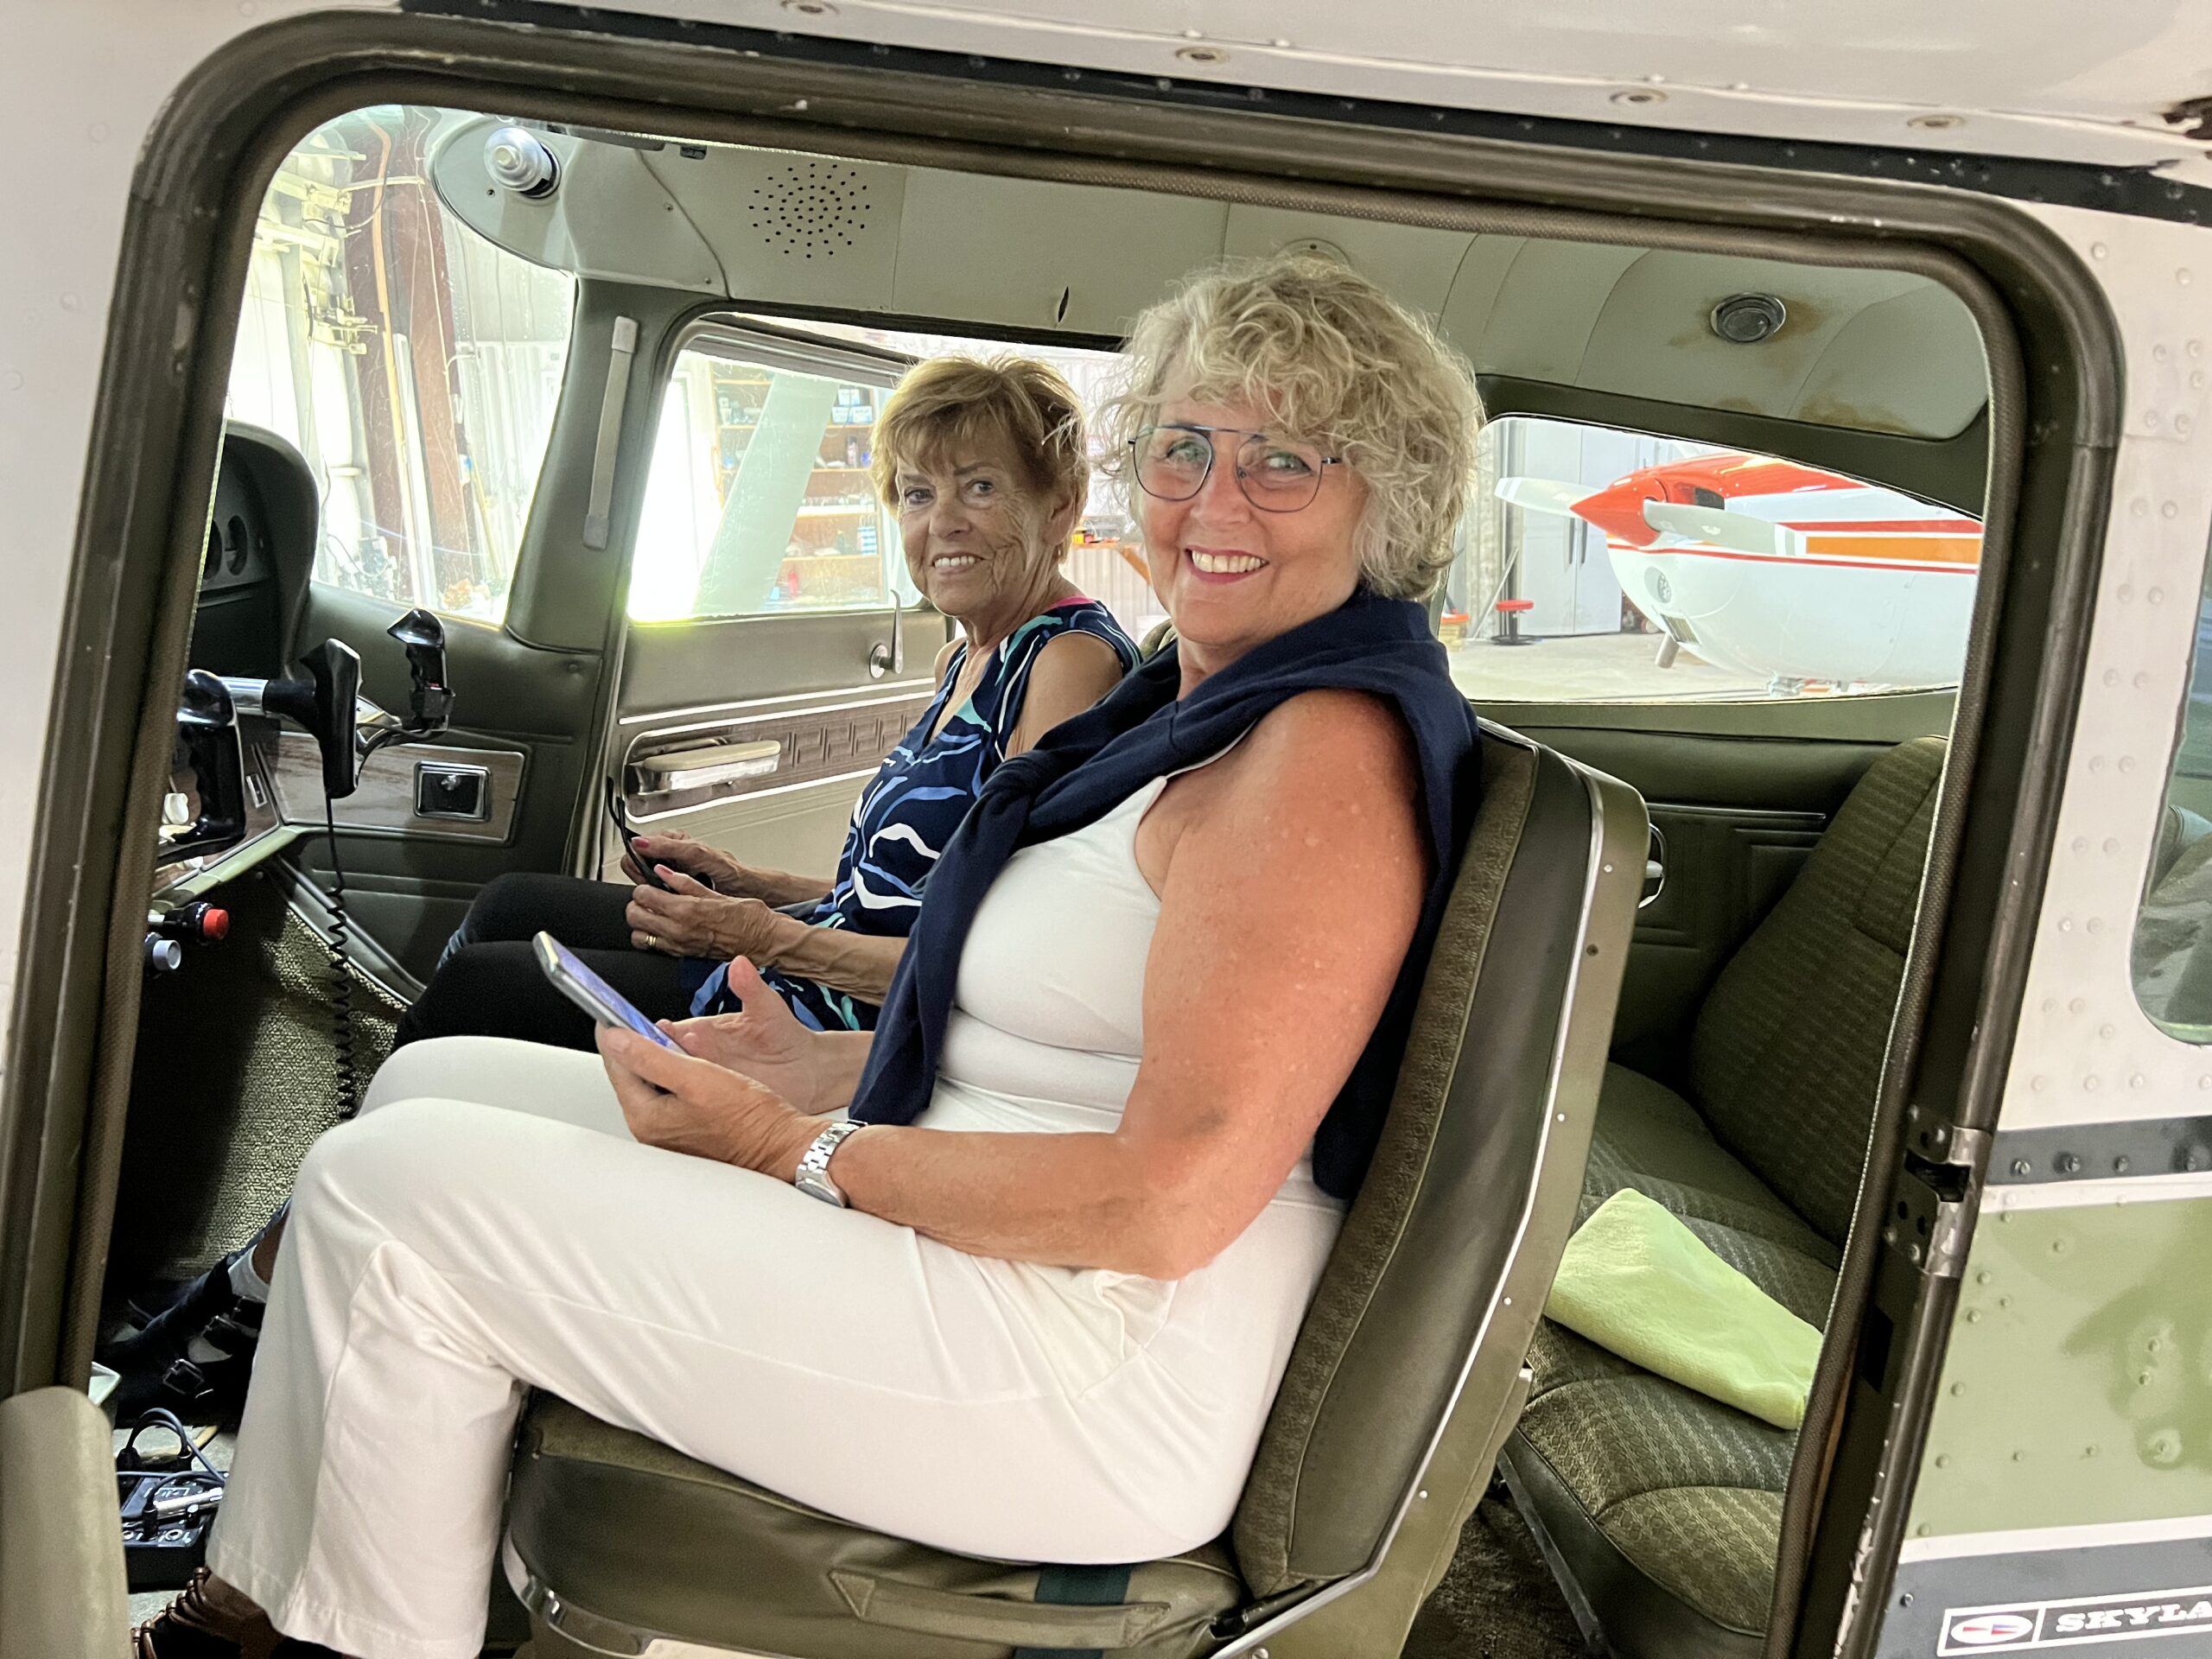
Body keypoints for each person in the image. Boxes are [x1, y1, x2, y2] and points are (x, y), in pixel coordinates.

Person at [135, 252, 1486, 1659]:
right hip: (1001, 1235)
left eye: (1283, 462)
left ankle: (298, 1636)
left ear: (1386, 498)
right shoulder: (1193, 712)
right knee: (434, 1087)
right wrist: (822, 1068)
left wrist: (795, 1147)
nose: (1211, 500)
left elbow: (1168, 1198)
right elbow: (1064, 1048)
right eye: (1183, 447)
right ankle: (283, 1600)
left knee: (392, 1195)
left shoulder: (1318, 755)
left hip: (1091, 1360)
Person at [101, 354, 1136, 1426]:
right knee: (513, 905)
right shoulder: (969, 657)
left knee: (487, 993)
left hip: (843, 1019)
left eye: (980, 487)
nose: (941, 522)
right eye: (917, 494)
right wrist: (752, 886)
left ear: (1058, 505)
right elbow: (905, 884)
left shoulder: (1066, 666)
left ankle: (261, 1294)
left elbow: (990, 952)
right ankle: (298, 1249)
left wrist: (760, 936)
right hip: (817, 960)